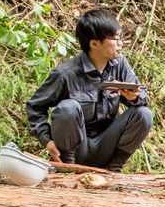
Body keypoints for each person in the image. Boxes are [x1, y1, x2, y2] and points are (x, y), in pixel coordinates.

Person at [26, 9, 152, 171]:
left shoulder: (119, 64)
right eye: (115, 39)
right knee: (68, 108)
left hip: (106, 144)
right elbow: (35, 106)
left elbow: (143, 98)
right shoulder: (66, 74)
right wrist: (47, 141)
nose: (121, 43)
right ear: (94, 44)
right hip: (77, 150)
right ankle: (70, 168)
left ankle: (114, 168)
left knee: (144, 114)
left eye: (121, 38)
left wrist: (134, 97)